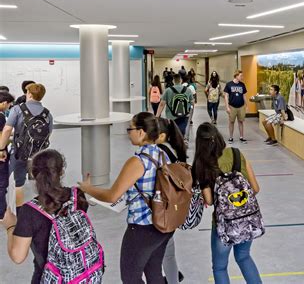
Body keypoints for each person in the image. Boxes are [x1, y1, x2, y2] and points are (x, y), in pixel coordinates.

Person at [78, 112, 173, 284]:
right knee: (154, 272)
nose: (128, 131)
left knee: (130, 277)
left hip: (142, 227)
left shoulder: (137, 162)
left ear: (142, 132)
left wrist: (88, 189)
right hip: (162, 224)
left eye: (131, 128)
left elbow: (112, 195)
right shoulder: (162, 154)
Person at [0, 149, 90, 284]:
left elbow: (18, 256)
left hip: (48, 277)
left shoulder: (29, 211)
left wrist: (10, 225)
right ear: (61, 172)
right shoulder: (77, 196)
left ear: (33, 174)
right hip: (81, 275)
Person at [192, 123, 262, 284]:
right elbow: (255, 188)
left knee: (219, 267)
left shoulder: (201, 165)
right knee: (244, 257)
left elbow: (209, 201)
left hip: (224, 225)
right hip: (247, 220)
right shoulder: (236, 153)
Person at [0, 83, 53, 207]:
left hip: (19, 152)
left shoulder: (18, 109)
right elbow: (48, 133)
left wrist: (1, 148)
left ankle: (19, 211)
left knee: (18, 183)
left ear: (28, 93)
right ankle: (44, 208)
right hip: (39, 154)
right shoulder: (47, 114)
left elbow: (7, 130)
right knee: (40, 181)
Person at [156, 117, 186, 284]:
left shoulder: (159, 153)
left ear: (161, 135)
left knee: (162, 254)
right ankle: (173, 278)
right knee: (168, 253)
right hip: (172, 209)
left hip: (162, 210)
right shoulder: (174, 149)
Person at [0, 91, 14, 219]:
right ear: (4, 103)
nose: (9, 107)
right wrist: (2, 150)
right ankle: (1, 213)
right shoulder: (0, 116)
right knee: (1, 183)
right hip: (0, 155)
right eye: (9, 105)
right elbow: (3, 135)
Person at [224, 70, 248, 144]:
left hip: (241, 106)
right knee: (231, 122)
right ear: (236, 76)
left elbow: (244, 95)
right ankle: (231, 137)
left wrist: (246, 106)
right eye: (241, 76)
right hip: (232, 106)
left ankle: (241, 137)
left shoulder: (242, 85)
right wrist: (227, 107)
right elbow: (226, 96)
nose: (242, 77)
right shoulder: (229, 84)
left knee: (241, 122)